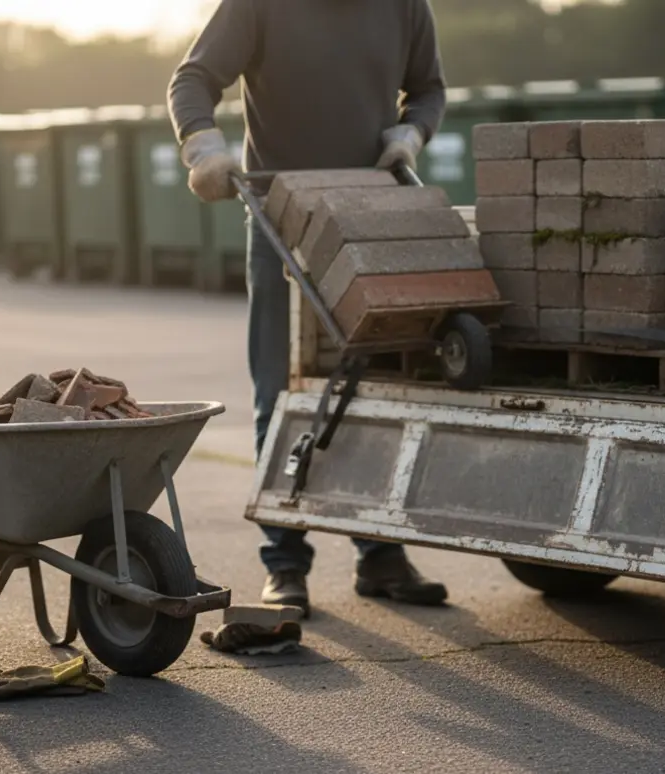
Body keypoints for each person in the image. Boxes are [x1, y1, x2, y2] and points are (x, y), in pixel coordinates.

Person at [168, 0, 450, 617]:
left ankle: (379, 554)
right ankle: (285, 563)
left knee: (373, 390)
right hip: (280, 219)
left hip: (368, 216)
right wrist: (204, 148)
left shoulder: (404, 5)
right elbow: (192, 79)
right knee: (283, 391)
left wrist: (410, 134)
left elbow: (428, 89)